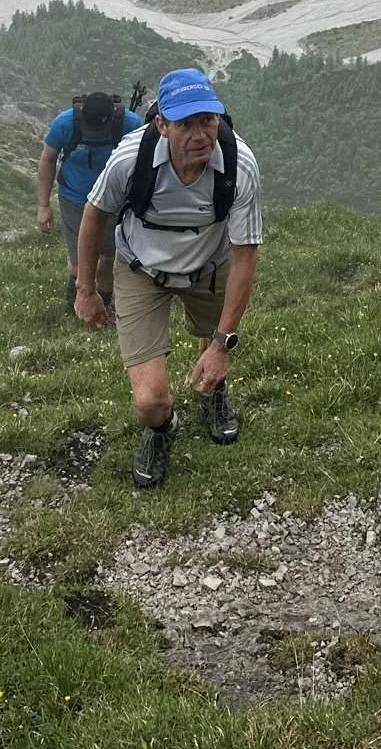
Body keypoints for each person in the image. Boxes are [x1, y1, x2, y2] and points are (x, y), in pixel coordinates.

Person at [74, 67, 262, 489]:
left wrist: (222, 344)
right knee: (149, 401)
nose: (200, 135)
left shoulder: (239, 163)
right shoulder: (129, 159)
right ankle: (162, 428)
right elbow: (94, 214)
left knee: (211, 351)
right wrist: (86, 290)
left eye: (207, 121)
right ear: (162, 124)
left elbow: (247, 252)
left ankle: (213, 392)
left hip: (210, 268)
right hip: (141, 271)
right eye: (185, 124)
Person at [37, 92, 143, 309]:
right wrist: (43, 206)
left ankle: (101, 305)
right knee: (80, 262)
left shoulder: (130, 124)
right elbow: (48, 159)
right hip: (74, 197)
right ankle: (76, 302)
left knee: (108, 257)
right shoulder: (65, 123)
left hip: (114, 199)